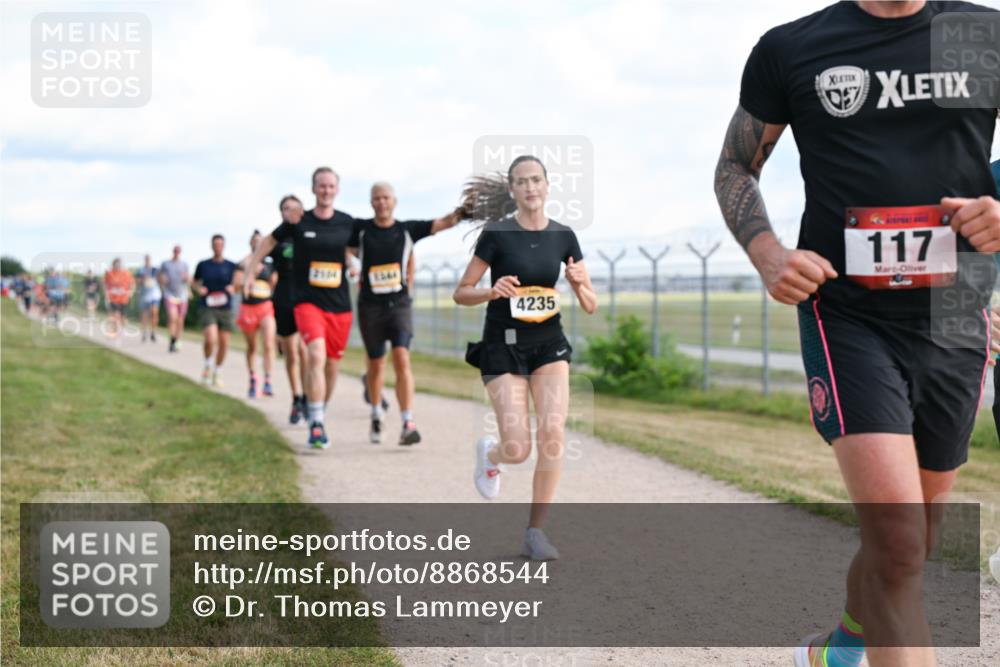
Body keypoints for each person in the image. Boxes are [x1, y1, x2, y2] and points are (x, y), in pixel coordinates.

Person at [716, 3, 997, 665]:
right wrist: (767, 253)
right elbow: (734, 166)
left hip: (956, 310)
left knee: (914, 540)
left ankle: (843, 645)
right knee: (898, 539)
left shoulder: (980, 34)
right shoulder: (794, 48)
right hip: (846, 310)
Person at [454, 155, 597, 560]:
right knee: (518, 449)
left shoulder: (564, 236)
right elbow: (461, 292)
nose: (530, 187)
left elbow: (591, 304)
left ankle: (536, 532)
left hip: (549, 343)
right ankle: (492, 455)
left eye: (536, 180)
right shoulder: (498, 234)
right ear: (513, 190)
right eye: (522, 181)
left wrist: (578, 284)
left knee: (553, 432)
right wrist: (491, 290)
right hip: (503, 344)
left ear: (547, 185)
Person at [243, 167, 356, 449]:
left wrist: (356, 266)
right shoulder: (297, 222)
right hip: (300, 300)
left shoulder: (346, 222)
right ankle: (310, 415)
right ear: (313, 188)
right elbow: (267, 242)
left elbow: (351, 248)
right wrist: (249, 273)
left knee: (329, 363)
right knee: (308, 353)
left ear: (337, 189)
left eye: (330, 186)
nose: (326, 190)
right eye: (321, 185)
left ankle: (317, 407)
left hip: (338, 304)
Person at [349, 182, 468, 444]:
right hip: (370, 307)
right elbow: (339, 244)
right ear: (371, 202)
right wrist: (351, 264)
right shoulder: (360, 230)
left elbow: (444, 223)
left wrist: (466, 209)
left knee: (402, 358)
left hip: (399, 305)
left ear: (394, 201)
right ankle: (376, 413)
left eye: (386, 197)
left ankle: (407, 421)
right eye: (377, 198)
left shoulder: (407, 230)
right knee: (376, 364)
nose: (382, 202)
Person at [269, 195, 310, 423]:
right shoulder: (277, 238)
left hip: (307, 296)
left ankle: (308, 395)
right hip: (284, 298)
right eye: (285, 208)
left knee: (306, 350)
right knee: (292, 351)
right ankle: (297, 397)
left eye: (294, 208)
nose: (289, 211)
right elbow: (258, 252)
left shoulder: (310, 233)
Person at [233, 230, 278, 399]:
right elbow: (236, 286)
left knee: (268, 343)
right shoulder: (243, 263)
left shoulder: (270, 263)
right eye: (255, 241)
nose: (257, 244)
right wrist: (249, 275)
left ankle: (268, 380)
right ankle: (253, 378)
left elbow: (274, 283)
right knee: (252, 346)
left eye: (260, 241)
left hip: (265, 306)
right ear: (250, 243)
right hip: (248, 308)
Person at [193, 235, 237, 386]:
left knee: (224, 343)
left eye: (220, 244)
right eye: (215, 244)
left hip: (225, 308)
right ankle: (207, 365)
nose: (218, 247)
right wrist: (199, 289)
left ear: (223, 246)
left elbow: (239, 282)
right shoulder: (203, 265)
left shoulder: (231, 266)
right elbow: (194, 282)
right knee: (210, 339)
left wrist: (234, 287)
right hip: (208, 306)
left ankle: (217, 371)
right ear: (212, 246)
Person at [160, 245, 191, 353]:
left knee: (180, 320)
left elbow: (189, 279)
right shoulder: (166, 264)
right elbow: (160, 277)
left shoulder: (184, 264)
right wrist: (162, 280)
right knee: (173, 317)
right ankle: (172, 340)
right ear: (173, 251)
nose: (176, 253)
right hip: (169, 294)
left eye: (178, 251)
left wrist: (186, 278)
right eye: (175, 251)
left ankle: (177, 340)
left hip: (182, 295)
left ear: (180, 252)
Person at [103, 258, 134, 340]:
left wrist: (131, 292)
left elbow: (132, 283)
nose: (117, 266)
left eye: (119, 264)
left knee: (123, 318)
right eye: (116, 264)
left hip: (123, 299)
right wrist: (106, 293)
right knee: (114, 315)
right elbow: (105, 284)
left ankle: (122, 330)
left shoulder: (126, 273)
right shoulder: (109, 273)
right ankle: (114, 332)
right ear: (113, 265)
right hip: (113, 298)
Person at [136, 255, 162, 343]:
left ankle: (153, 332)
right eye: (146, 259)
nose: (148, 261)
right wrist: (143, 280)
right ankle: (144, 332)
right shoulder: (141, 270)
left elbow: (160, 279)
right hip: (144, 295)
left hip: (155, 295)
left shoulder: (155, 269)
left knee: (154, 312)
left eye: (149, 260)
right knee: (144, 314)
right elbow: (137, 281)